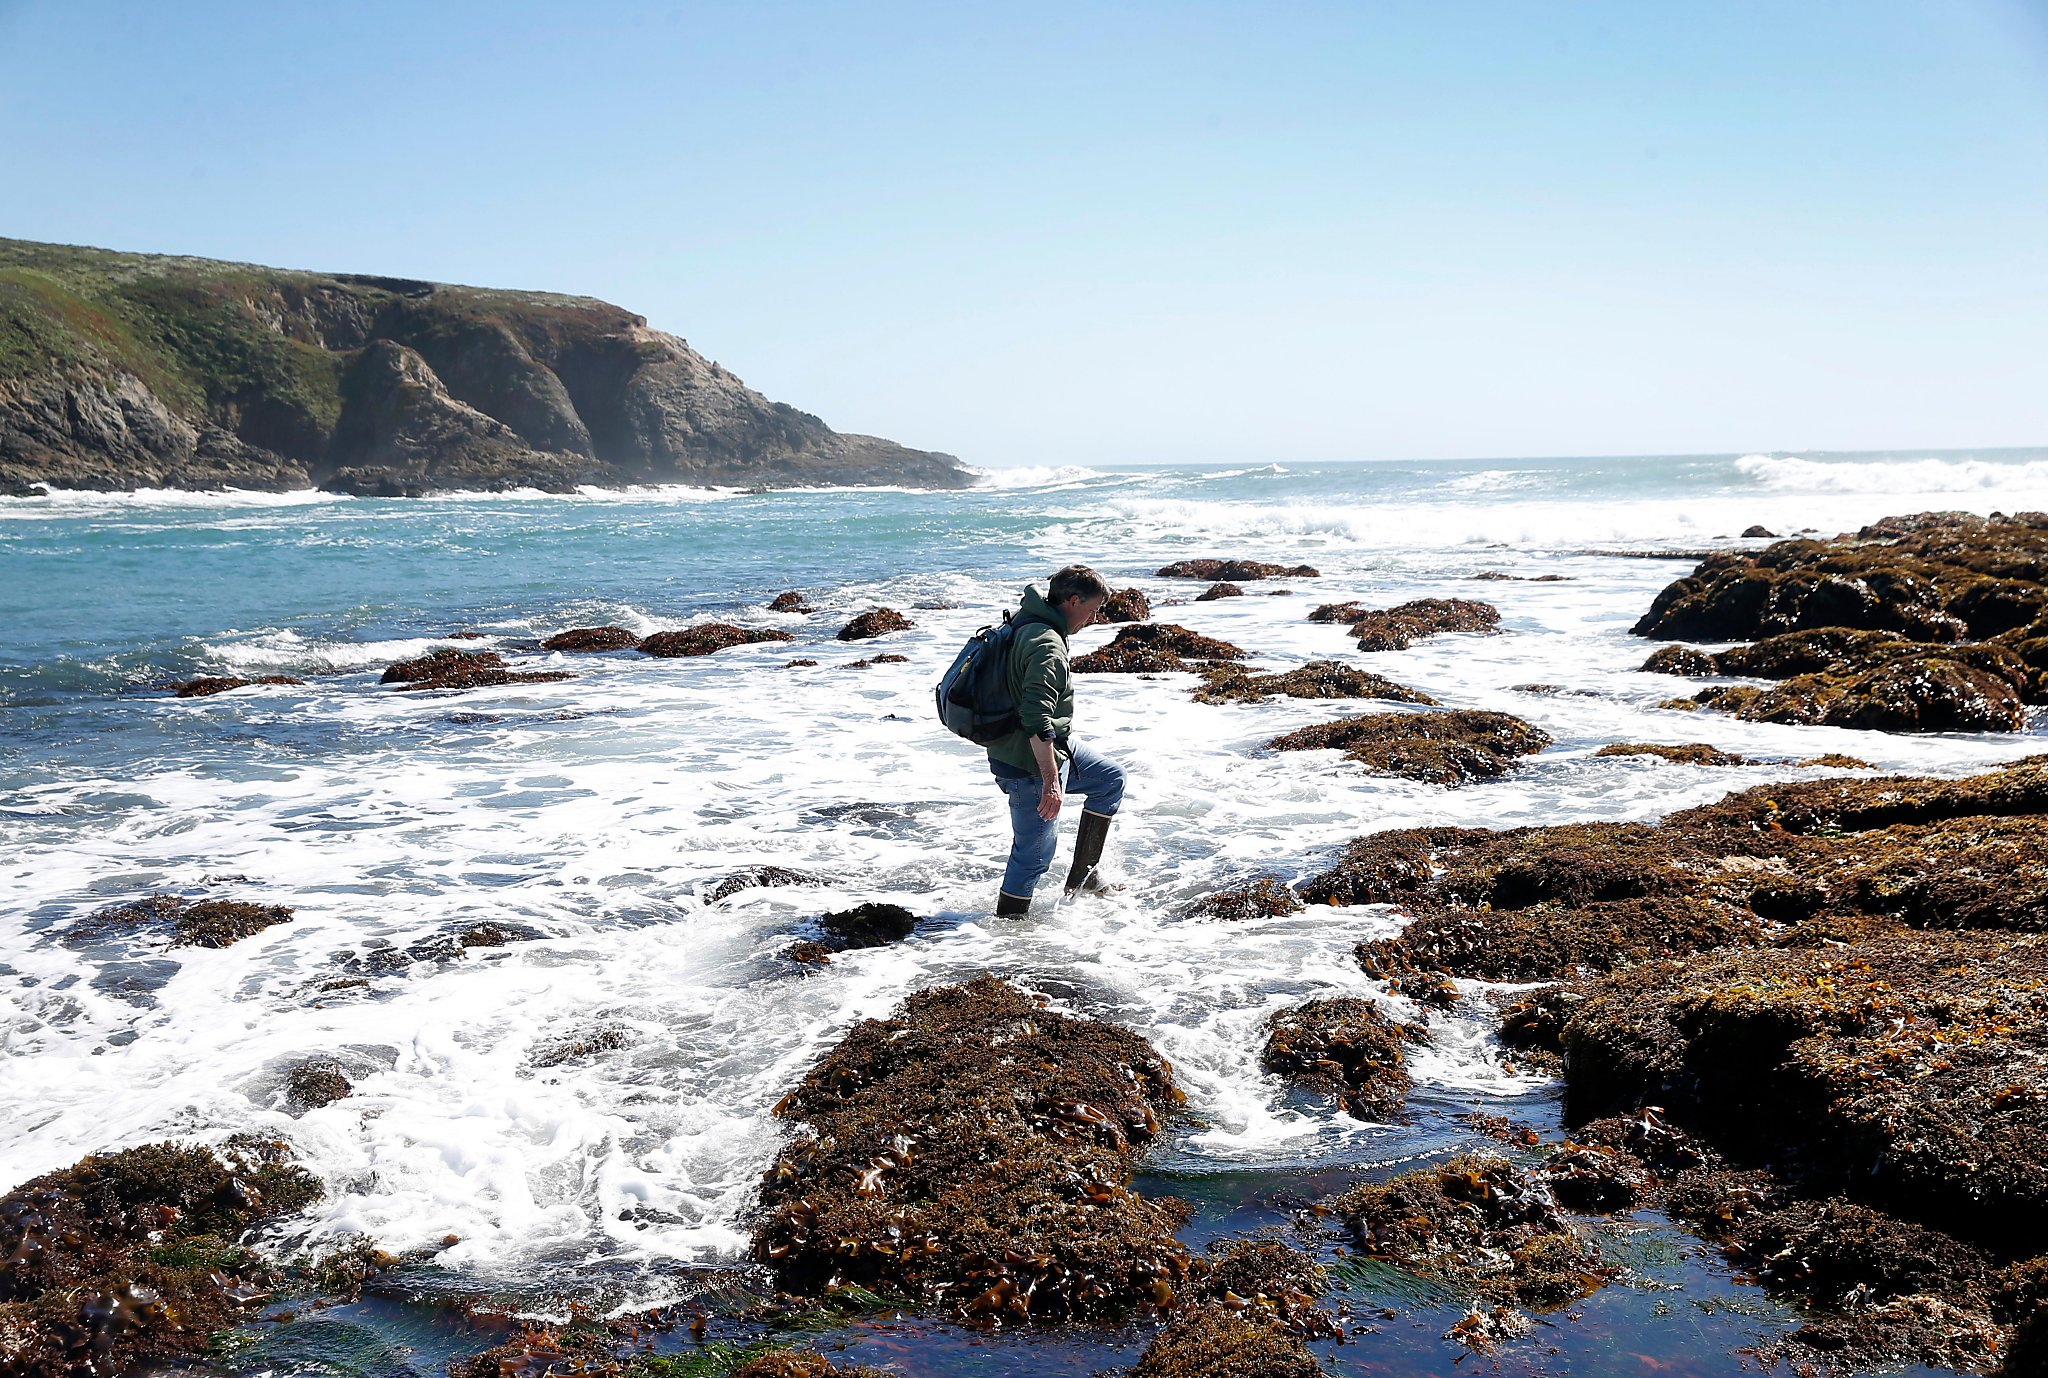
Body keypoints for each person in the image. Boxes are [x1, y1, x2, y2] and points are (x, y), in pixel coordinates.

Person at [987, 564, 1126, 915]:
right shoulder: (1047, 644)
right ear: (1073, 600)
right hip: (1028, 762)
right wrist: (1051, 781)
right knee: (1033, 857)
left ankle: (1083, 877)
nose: (1094, 619)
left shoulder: (1029, 618)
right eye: (1092, 610)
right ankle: (1008, 929)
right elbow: (1036, 720)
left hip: (1048, 749)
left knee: (1109, 779)